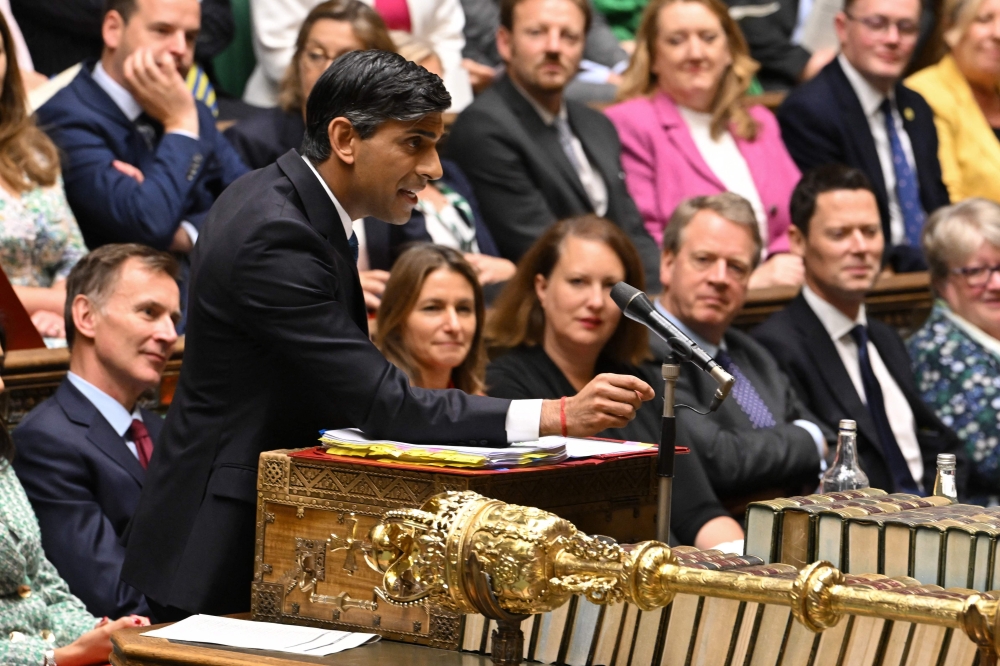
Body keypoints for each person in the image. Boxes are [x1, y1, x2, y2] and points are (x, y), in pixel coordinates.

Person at [121, 50, 655, 620]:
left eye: (436, 145)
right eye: (414, 143)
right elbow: (380, 404)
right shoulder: (276, 235)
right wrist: (555, 416)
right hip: (216, 541)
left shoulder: (280, 200)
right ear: (346, 138)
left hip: (250, 521)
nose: (434, 168)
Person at [485, 215, 745, 548]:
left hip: (672, 565)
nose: (595, 301)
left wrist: (748, 565)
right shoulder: (506, 384)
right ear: (542, 287)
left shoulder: (641, 381)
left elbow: (696, 512)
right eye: (578, 281)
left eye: (610, 287)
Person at [753, 165, 966, 496]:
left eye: (870, 231)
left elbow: (936, 443)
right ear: (798, 241)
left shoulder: (885, 338)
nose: (860, 247)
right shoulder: (776, 346)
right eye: (839, 234)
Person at [446, 0, 663, 291]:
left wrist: (659, 302)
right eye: (536, 32)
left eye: (569, 37)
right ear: (505, 43)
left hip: (619, 297)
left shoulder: (597, 124)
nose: (554, 47)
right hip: (545, 302)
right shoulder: (485, 128)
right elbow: (540, 246)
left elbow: (632, 230)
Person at [11, 244, 179, 619]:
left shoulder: (162, 431)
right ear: (86, 316)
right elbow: (110, 596)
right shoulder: (46, 440)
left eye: (173, 318)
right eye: (149, 312)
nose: (169, 334)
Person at [605, 0, 804, 290]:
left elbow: (799, 216)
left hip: (782, 294)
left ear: (729, 50)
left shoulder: (759, 122)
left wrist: (785, 260)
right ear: (654, 56)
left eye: (708, 38)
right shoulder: (631, 123)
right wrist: (748, 281)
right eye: (676, 40)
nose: (695, 53)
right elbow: (645, 242)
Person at [34, 0, 248, 256]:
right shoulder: (63, 116)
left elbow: (254, 203)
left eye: (190, 36)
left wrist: (188, 233)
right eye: (162, 31)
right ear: (113, 29)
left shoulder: (191, 110)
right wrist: (180, 127)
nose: (181, 49)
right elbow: (148, 224)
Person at [654, 193, 827, 500]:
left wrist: (810, 439)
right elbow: (720, 461)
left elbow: (831, 440)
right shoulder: (649, 350)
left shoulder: (751, 352)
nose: (720, 278)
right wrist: (808, 441)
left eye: (736, 267)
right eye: (704, 260)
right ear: (668, 263)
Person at [0, 331, 151, 665]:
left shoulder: (1, 464)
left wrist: (99, 631)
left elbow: (42, 584)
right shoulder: (48, 438)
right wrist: (55, 657)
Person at [777, 0, 950, 273]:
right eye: (877, 24)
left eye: (906, 28)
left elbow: (936, 202)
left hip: (934, 273)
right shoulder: (811, 111)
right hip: (872, 277)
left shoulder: (916, 106)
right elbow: (835, 224)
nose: (893, 39)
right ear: (842, 28)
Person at [363, 34, 515, 290]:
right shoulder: (379, 182)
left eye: (440, 87)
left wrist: (509, 269)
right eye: (420, 90)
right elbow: (413, 274)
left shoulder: (451, 173)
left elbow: (490, 253)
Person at [224, 0, 395, 172]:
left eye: (345, 60)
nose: (327, 71)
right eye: (315, 55)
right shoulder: (251, 141)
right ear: (298, 60)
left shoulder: (391, 141)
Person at [0, 11, 86, 341]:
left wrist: (57, 313)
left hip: (57, 332)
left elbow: (74, 257)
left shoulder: (33, 150)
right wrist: (55, 303)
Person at [909, 198, 1000, 502]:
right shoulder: (934, 353)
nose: (996, 283)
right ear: (942, 281)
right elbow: (991, 458)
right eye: (976, 271)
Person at [243, 0, 474, 111]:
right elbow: (281, 53)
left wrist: (417, 95)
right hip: (292, 113)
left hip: (400, 108)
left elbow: (447, 36)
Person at [905, 0, 1000, 203]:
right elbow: (948, 204)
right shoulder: (922, 95)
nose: (998, 34)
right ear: (951, 27)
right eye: (984, 20)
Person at [374, 244, 486, 393]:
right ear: (396, 318)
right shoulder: (376, 399)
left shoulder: (479, 402)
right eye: (432, 308)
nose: (454, 325)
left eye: (463, 309)